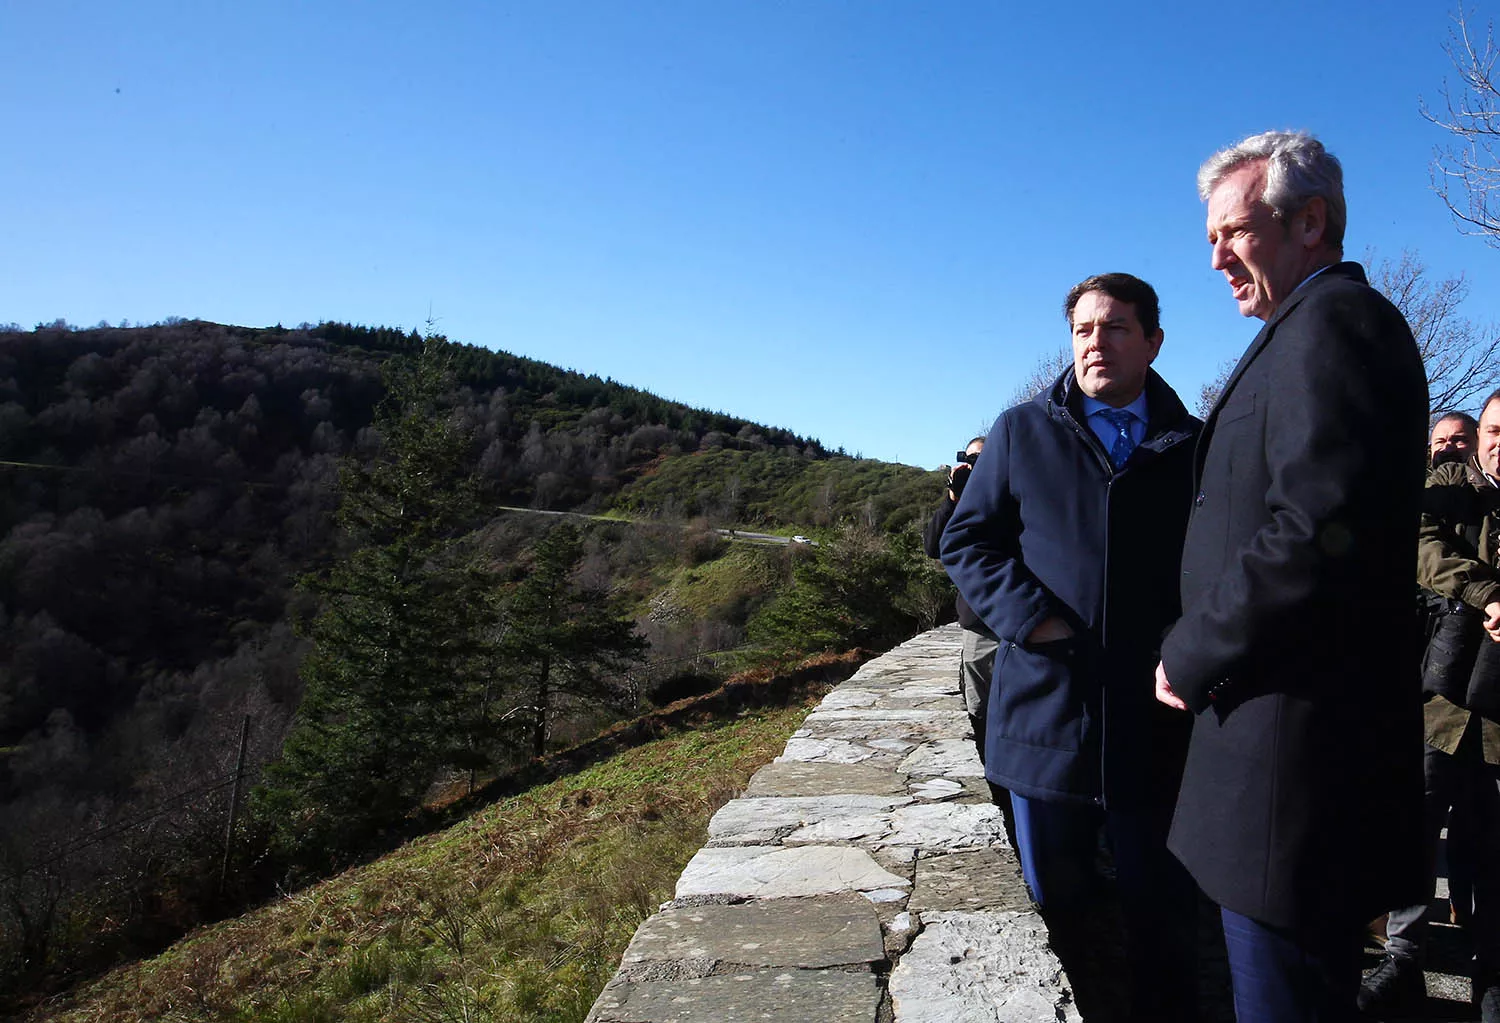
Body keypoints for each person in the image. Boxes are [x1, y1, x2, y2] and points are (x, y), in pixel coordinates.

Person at [1154, 130, 1428, 1022]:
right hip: (1271, 768)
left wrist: (1191, 648)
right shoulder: (1298, 329)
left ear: (1310, 221)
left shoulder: (1337, 323)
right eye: (1208, 241)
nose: (1218, 258)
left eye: (1233, 231)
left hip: (1295, 779)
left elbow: (1316, 529)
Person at [942, 272, 1201, 1020]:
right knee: (1056, 911)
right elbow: (968, 539)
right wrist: (1033, 619)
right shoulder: (1023, 430)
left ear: (1152, 342)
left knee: (1163, 909)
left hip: (1159, 719)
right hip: (1047, 715)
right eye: (1084, 329)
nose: (1096, 343)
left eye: (1115, 327)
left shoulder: (1196, 445)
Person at [1360, 394, 1500, 1020]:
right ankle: (1402, 958)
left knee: (1489, 849)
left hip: (1497, 715)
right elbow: (1418, 542)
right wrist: (1487, 593)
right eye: (1494, 431)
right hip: (1435, 700)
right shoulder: (1441, 485)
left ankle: (1489, 971)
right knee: (1411, 830)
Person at [922, 436, 997, 757]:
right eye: (971, 459)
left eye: (984, 458)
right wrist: (953, 496)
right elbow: (933, 547)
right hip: (979, 622)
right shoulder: (962, 502)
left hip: (1025, 623)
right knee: (979, 707)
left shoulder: (1014, 489)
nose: (976, 465)